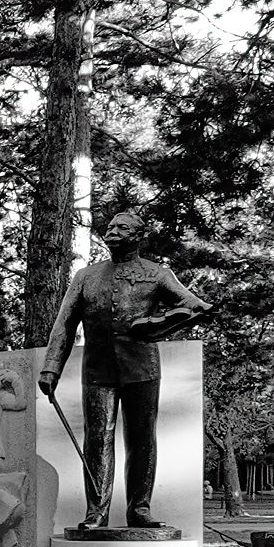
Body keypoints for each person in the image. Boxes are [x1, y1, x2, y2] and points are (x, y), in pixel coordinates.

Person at [39, 211, 211, 530]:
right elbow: (64, 325)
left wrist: (179, 317)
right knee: (97, 440)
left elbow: (192, 303)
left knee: (142, 439)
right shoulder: (86, 276)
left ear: (138, 236)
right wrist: (51, 368)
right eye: (110, 227)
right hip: (98, 370)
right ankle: (96, 512)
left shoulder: (157, 274)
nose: (113, 231)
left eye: (122, 228)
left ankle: (140, 509)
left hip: (143, 368)